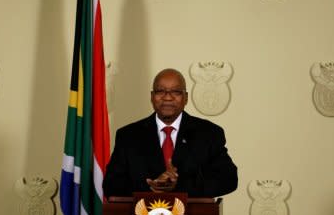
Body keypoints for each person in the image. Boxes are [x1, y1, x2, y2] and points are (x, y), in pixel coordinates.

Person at [102, 68, 238, 198]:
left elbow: (229, 179)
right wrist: (151, 186)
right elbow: (110, 185)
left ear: (185, 98)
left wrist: (179, 186)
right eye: (160, 91)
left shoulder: (209, 133)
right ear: (152, 97)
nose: (167, 97)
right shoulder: (128, 136)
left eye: (176, 92)